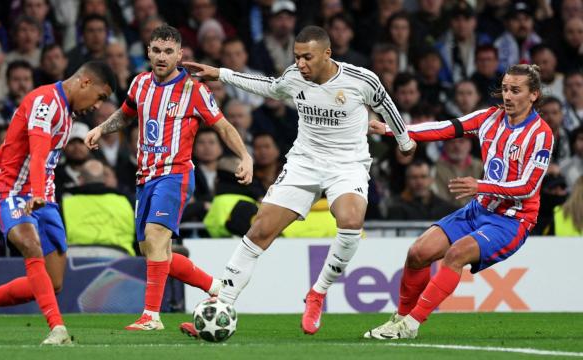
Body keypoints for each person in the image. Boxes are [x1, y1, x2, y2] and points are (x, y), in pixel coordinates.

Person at [183, 25, 415, 335]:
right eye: (297, 57)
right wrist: (221, 73)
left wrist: (404, 141)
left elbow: (386, 105)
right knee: (261, 228)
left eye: (307, 57)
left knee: (350, 219)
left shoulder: (362, 79)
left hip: (347, 164)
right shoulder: (294, 77)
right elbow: (268, 86)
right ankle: (221, 304)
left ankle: (317, 293)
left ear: (327, 54)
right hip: (304, 162)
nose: (301, 64)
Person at [366, 64, 553, 340]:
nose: (507, 96)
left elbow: (527, 187)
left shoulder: (541, 134)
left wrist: (481, 185)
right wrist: (393, 130)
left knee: (456, 255)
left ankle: (410, 325)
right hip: (479, 209)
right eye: (504, 89)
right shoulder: (490, 118)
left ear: (534, 94)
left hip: (513, 221)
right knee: (418, 252)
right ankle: (400, 318)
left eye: (515, 90)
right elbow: (444, 128)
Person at [85, 25, 252, 332]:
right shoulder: (139, 84)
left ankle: (151, 316)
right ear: (148, 52)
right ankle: (215, 287)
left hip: (174, 174)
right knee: (152, 249)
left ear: (180, 54)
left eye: (168, 52)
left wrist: (245, 156)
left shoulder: (194, 90)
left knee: (156, 236)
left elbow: (224, 127)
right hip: (144, 177)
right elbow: (125, 114)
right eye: (157, 51)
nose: (162, 57)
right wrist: (101, 129)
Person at [0, 61, 116, 345]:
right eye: (101, 97)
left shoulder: (67, 112)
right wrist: (10, 184)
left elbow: (9, 142)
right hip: (14, 192)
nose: (98, 106)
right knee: (30, 244)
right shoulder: (45, 102)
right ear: (85, 83)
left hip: (44, 198)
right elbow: (37, 155)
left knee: (52, 284)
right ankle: (58, 329)